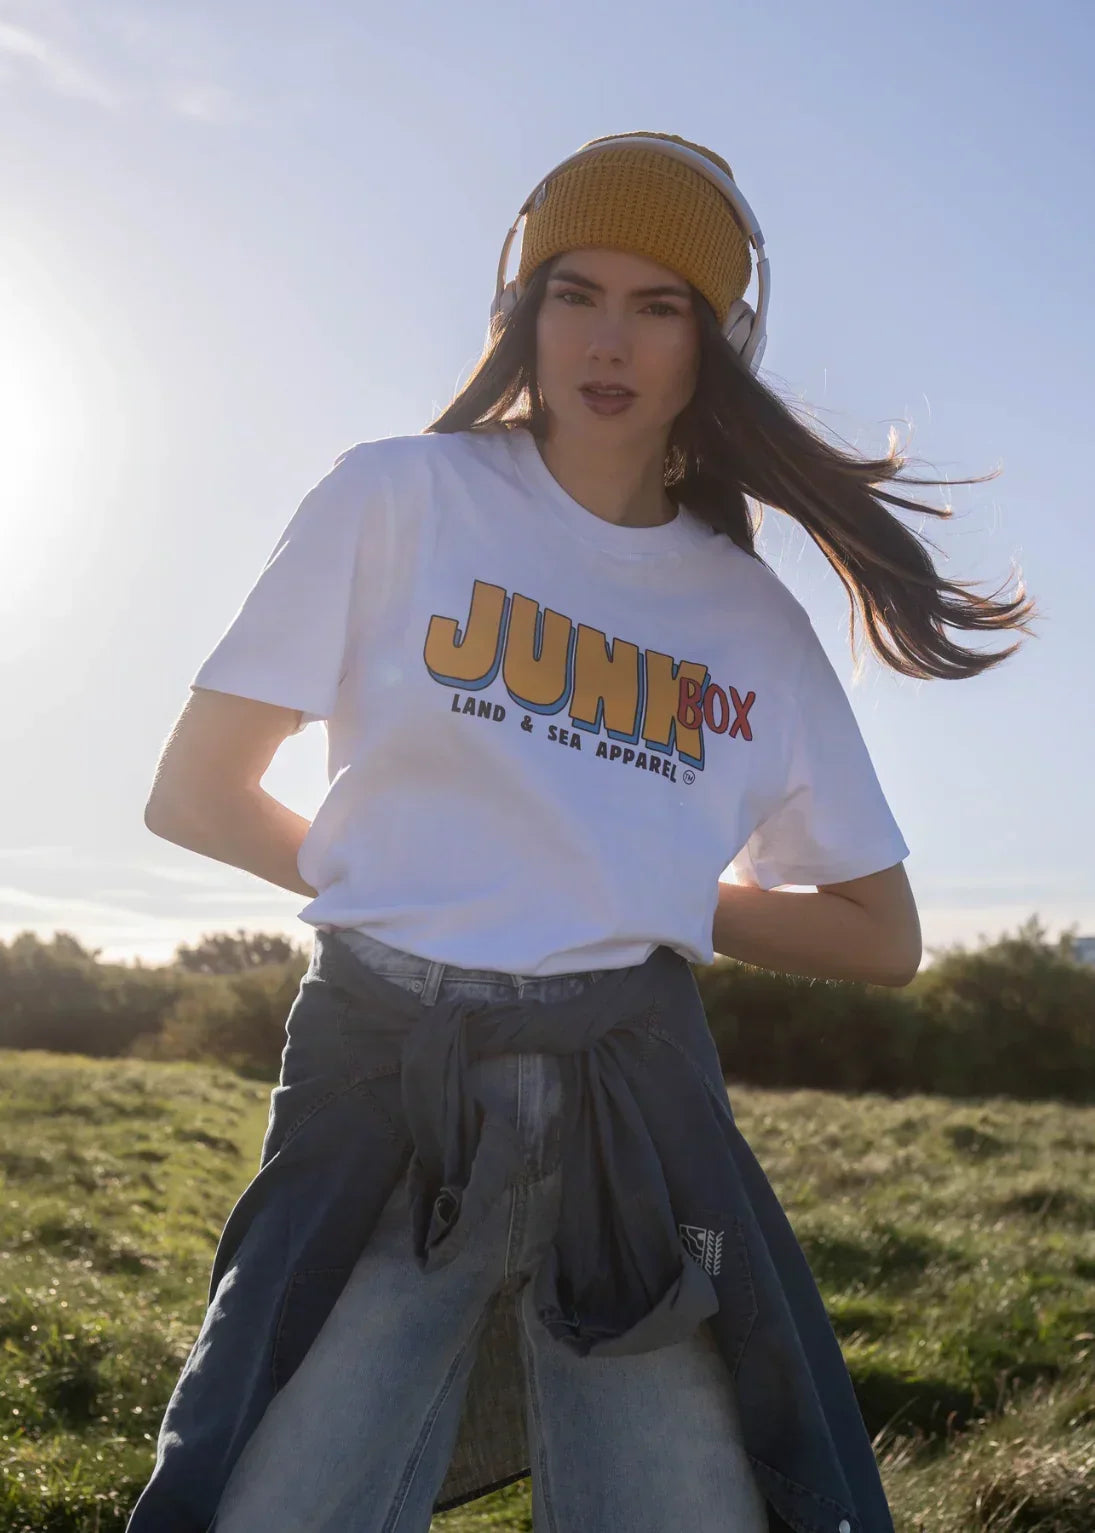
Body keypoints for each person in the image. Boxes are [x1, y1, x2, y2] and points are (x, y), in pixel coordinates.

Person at [133, 132, 1037, 1533]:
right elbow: (193, 791)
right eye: (576, 292)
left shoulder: (748, 618)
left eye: (659, 304)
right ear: (523, 308)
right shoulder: (396, 496)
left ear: (715, 340)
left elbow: (884, 935)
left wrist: (655, 884)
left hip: (634, 1101)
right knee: (265, 1505)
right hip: (388, 1082)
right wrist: (418, 879)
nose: (608, 338)